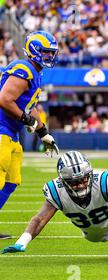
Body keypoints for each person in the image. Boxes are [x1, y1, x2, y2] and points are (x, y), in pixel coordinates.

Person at [2, 151, 108, 256]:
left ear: (89, 174)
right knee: (99, 238)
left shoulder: (102, 180)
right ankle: (107, 235)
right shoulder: (56, 190)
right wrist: (22, 241)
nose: (81, 184)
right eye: (74, 181)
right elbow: (39, 219)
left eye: (84, 179)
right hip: (91, 232)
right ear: (64, 180)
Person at [0, 31, 60, 240]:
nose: (49, 56)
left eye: (51, 53)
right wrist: (27, 121)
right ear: (33, 50)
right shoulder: (23, 69)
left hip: (11, 133)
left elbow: (30, 106)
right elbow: (5, 99)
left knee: (11, 180)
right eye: (45, 52)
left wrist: (43, 132)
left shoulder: (36, 73)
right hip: (1, 129)